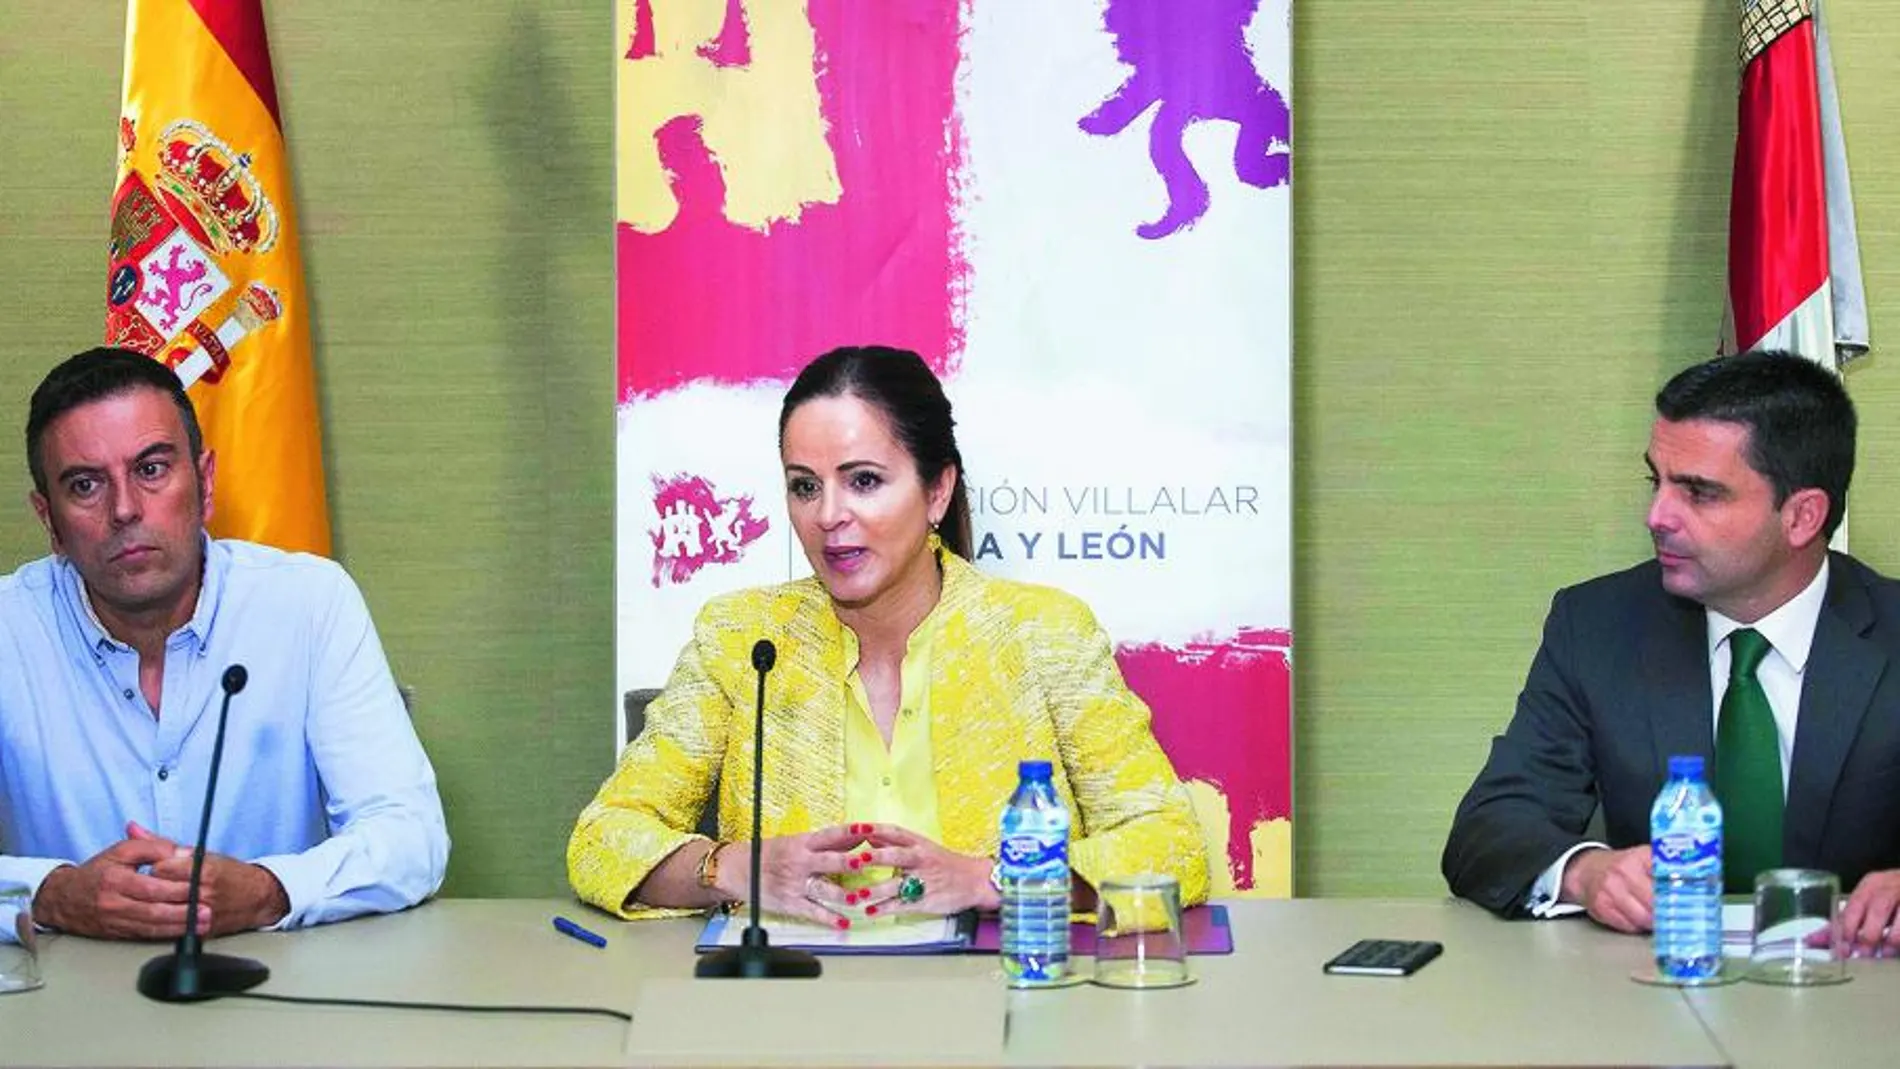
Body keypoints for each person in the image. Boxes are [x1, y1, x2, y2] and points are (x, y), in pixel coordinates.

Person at [569, 345, 1207, 925]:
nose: (828, 516)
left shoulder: (1044, 635)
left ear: (936, 491)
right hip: (788, 1020)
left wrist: (990, 879)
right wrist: (736, 869)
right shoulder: (741, 639)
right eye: (804, 487)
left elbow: (1172, 846)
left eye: (864, 481)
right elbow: (602, 840)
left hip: (993, 1011)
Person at [1443, 351, 1900, 957]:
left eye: (1700, 493)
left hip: (1861, 999)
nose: (1656, 516)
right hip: (1659, 991)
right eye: (1655, 481)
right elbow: (1491, 824)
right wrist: (1586, 872)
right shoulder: (1598, 626)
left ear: (1800, 516)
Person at [0, 347, 448, 940]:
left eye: (152, 469)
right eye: (85, 485)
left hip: (279, 997)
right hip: (63, 1012)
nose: (126, 509)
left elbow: (410, 836)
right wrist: (52, 895)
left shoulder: (309, 604)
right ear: (49, 520)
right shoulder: (11, 627)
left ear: (205, 483)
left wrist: (269, 890)